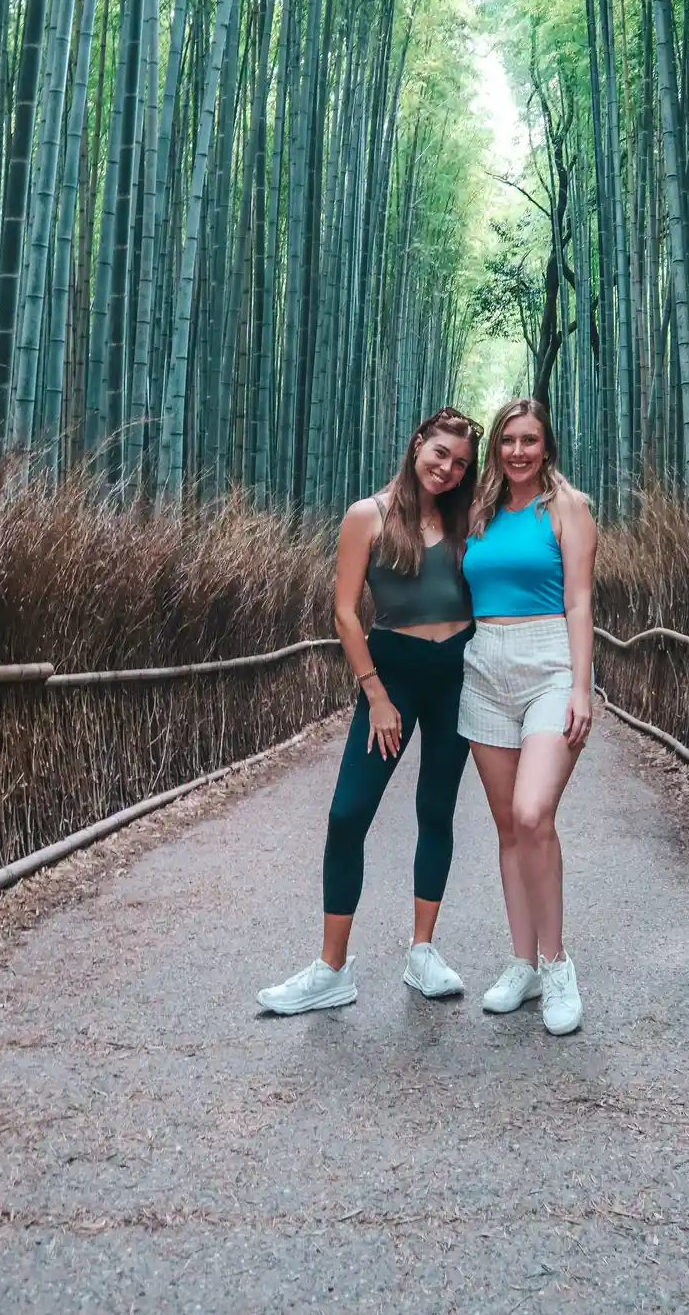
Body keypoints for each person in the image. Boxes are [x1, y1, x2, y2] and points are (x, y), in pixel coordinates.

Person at [258, 408, 482, 1015]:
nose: (448, 469)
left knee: (436, 809)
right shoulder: (369, 515)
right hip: (393, 675)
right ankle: (331, 969)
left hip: (457, 673)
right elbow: (345, 612)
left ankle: (423, 952)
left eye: (461, 463)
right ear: (417, 445)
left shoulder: (467, 520)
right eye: (440, 454)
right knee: (347, 813)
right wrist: (376, 693)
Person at [457, 398, 597, 1036]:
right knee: (508, 829)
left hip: (548, 666)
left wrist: (581, 687)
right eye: (508, 440)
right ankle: (523, 964)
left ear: (548, 446)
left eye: (529, 440)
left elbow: (578, 601)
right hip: (485, 667)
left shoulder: (567, 507)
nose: (518, 451)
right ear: (497, 449)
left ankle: (558, 963)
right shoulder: (479, 511)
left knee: (534, 813)